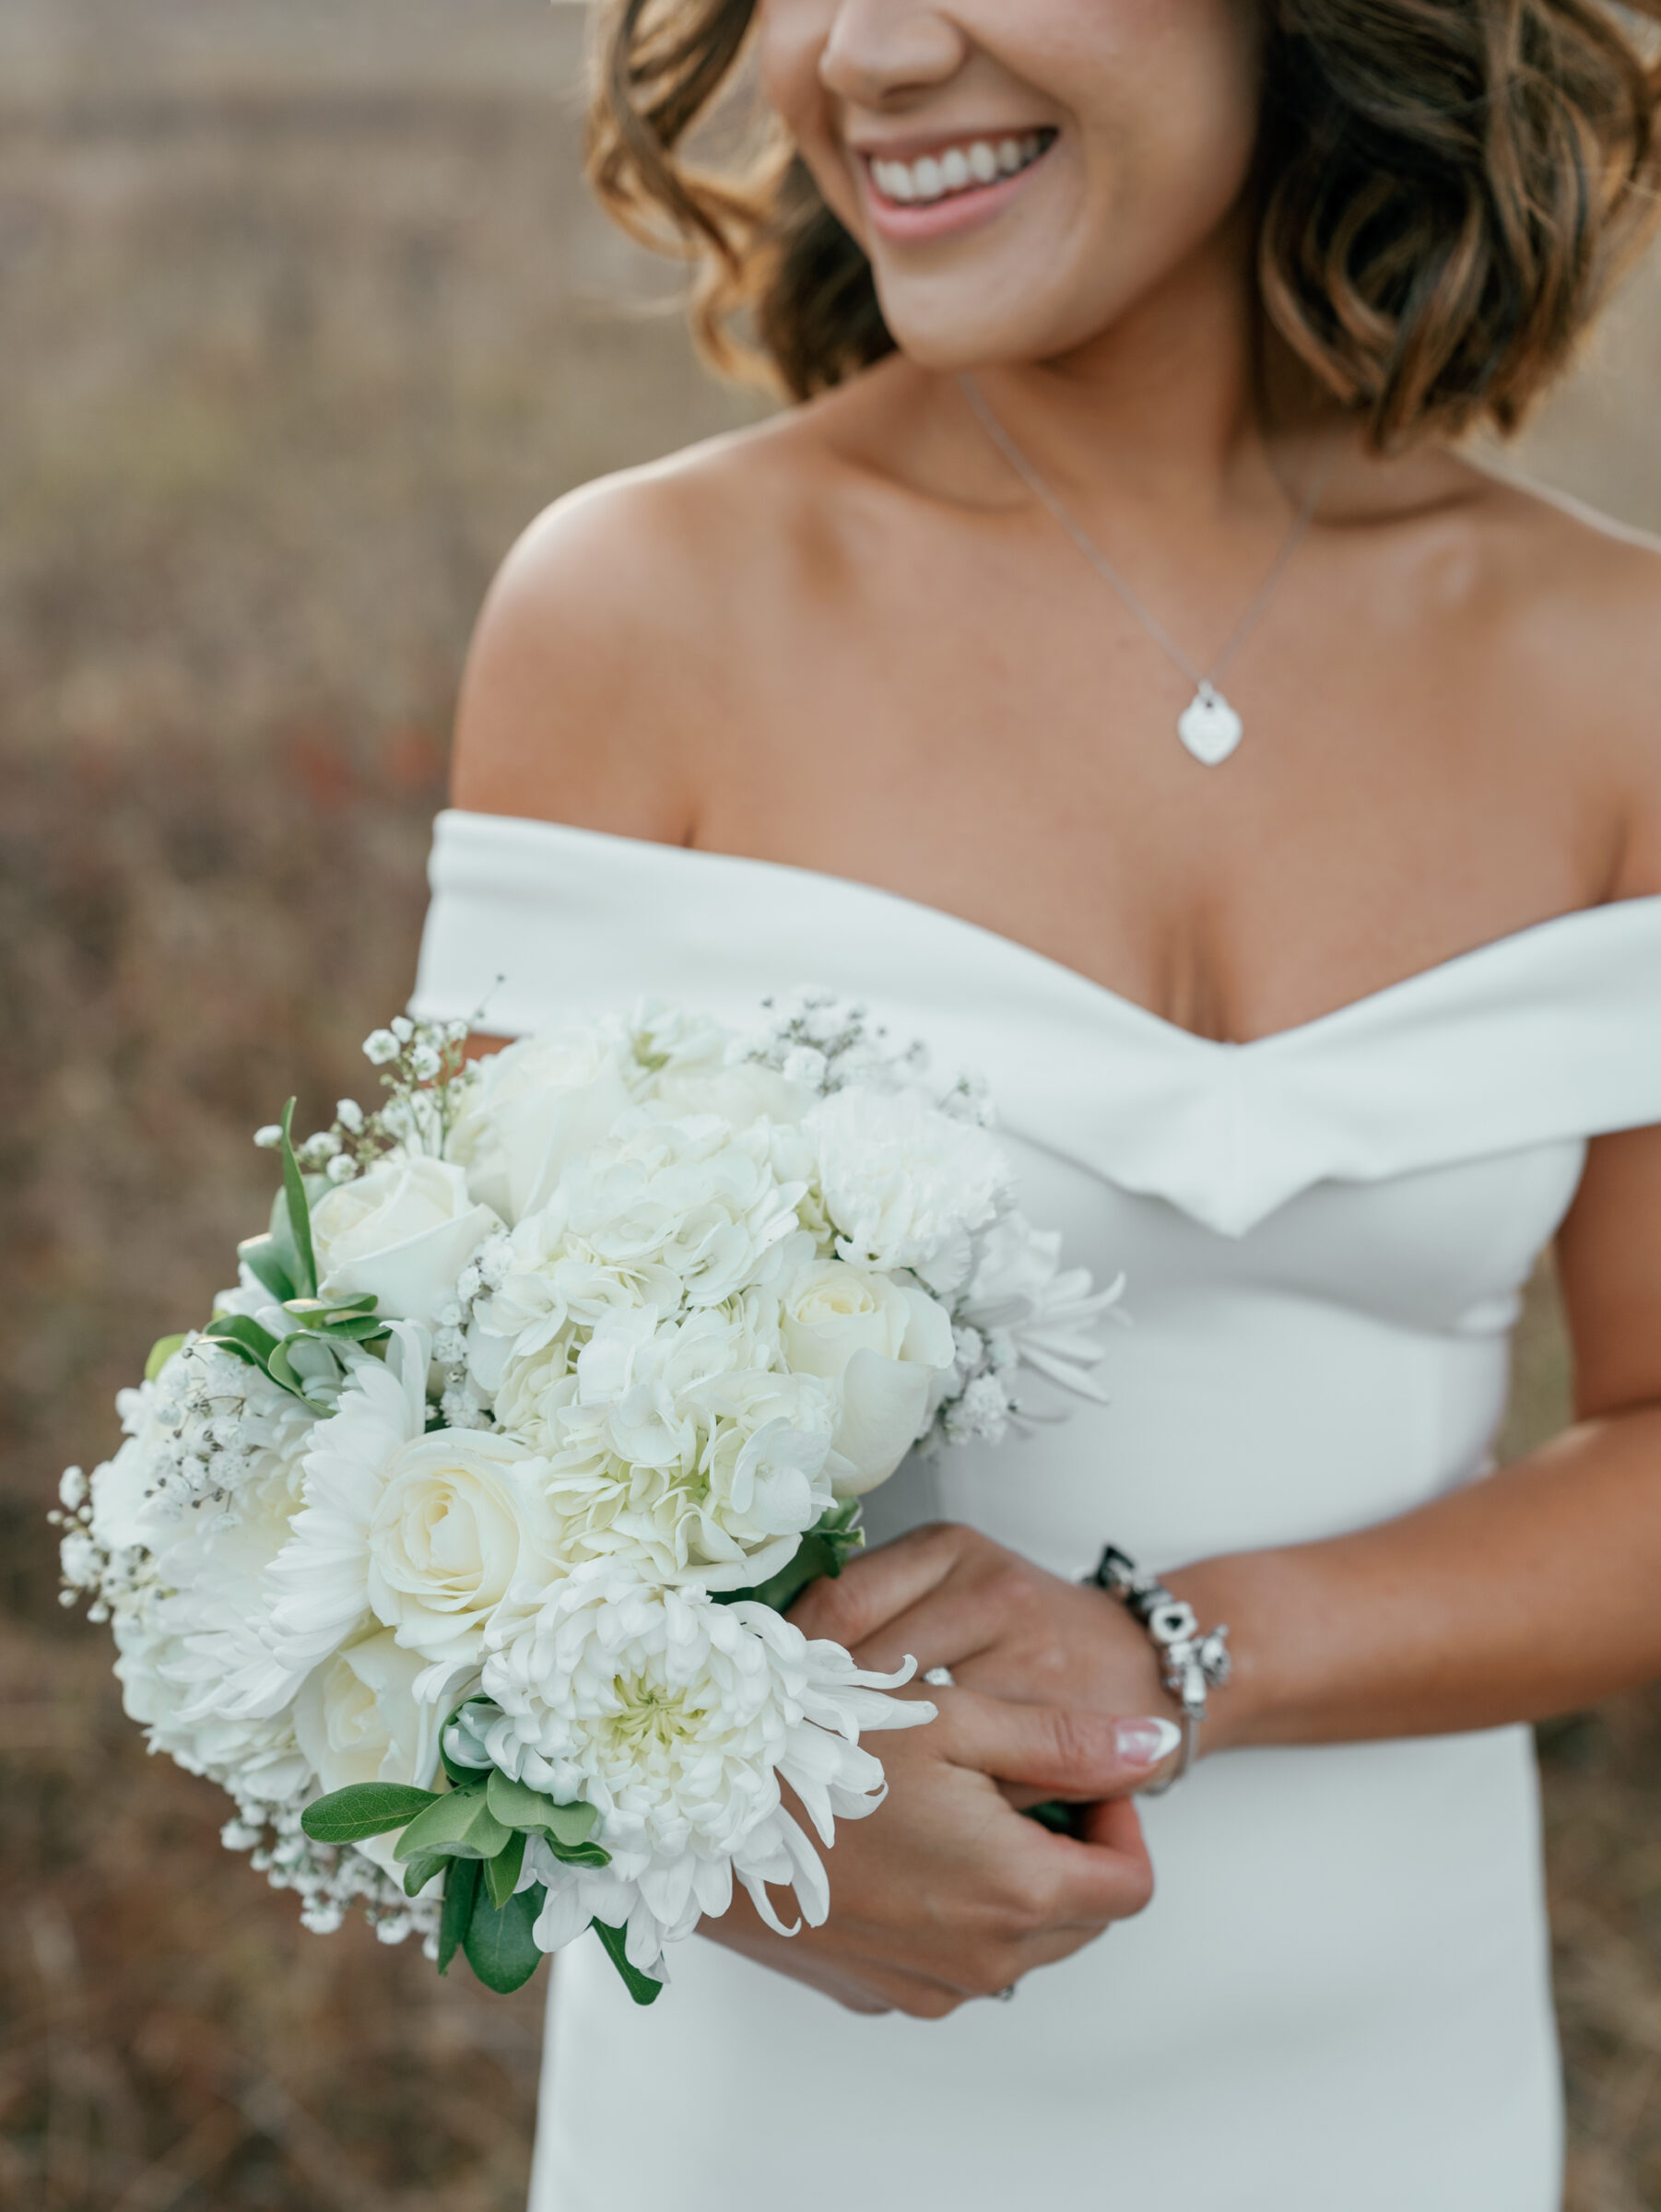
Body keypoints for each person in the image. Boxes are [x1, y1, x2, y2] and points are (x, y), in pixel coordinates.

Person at [408, 3, 1661, 2205]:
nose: (865, 48)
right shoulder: (639, 614)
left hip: (1391, 2091)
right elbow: (434, 1472)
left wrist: (1179, 1661)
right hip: (794, 2110)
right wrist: (728, 1786)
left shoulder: (1616, 671)